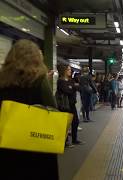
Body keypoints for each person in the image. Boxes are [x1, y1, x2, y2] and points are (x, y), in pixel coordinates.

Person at [0, 39, 59, 179]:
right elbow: (53, 110)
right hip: (35, 147)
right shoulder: (39, 80)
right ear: (36, 59)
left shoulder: (2, 81)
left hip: (7, 146)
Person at [57, 64, 84, 145]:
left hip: (71, 104)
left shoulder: (70, 80)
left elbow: (79, 88)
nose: (70, 71)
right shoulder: (60, 81)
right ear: (64, 70)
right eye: (68, 69)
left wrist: (72, 87)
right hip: (64, 105)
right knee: (65, 124)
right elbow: (67, 91)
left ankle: (74, 140)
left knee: (75, 122)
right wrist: (73, 87)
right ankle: (64, 142)